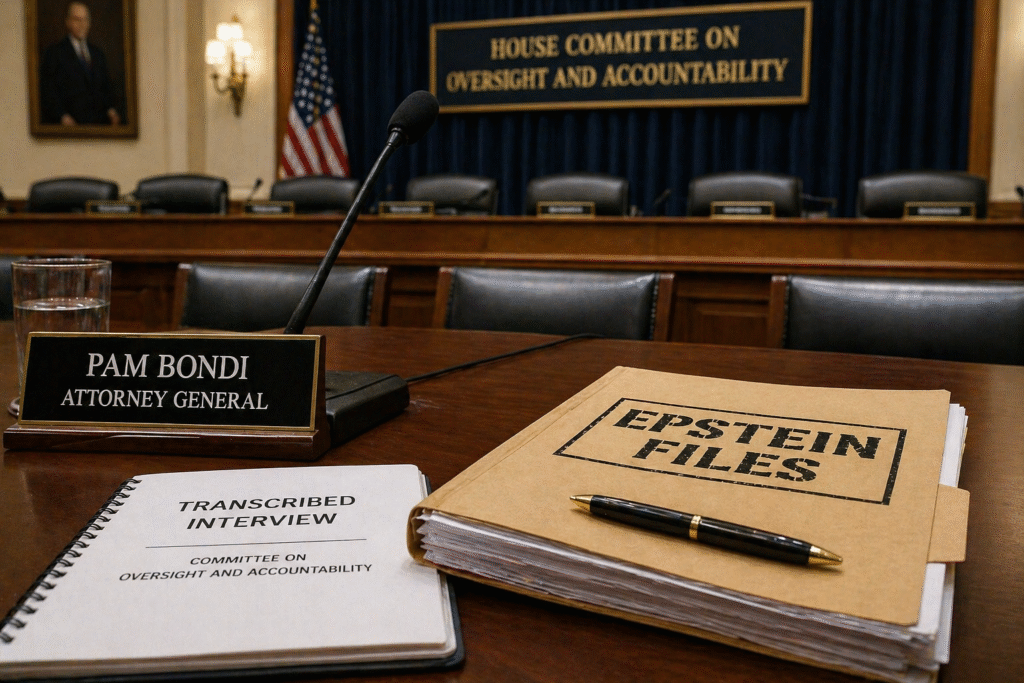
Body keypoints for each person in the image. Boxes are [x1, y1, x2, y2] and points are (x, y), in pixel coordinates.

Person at [40, 1, 121, 125]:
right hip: (68, 129)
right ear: (68, 22)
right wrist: (62, 117)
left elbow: (106, 89)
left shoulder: (98, 54)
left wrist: (111, 111)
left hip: (98, 128)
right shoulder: (55, 53)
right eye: (77, 20)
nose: (82, 24)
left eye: (85, 20)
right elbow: (49, 92)